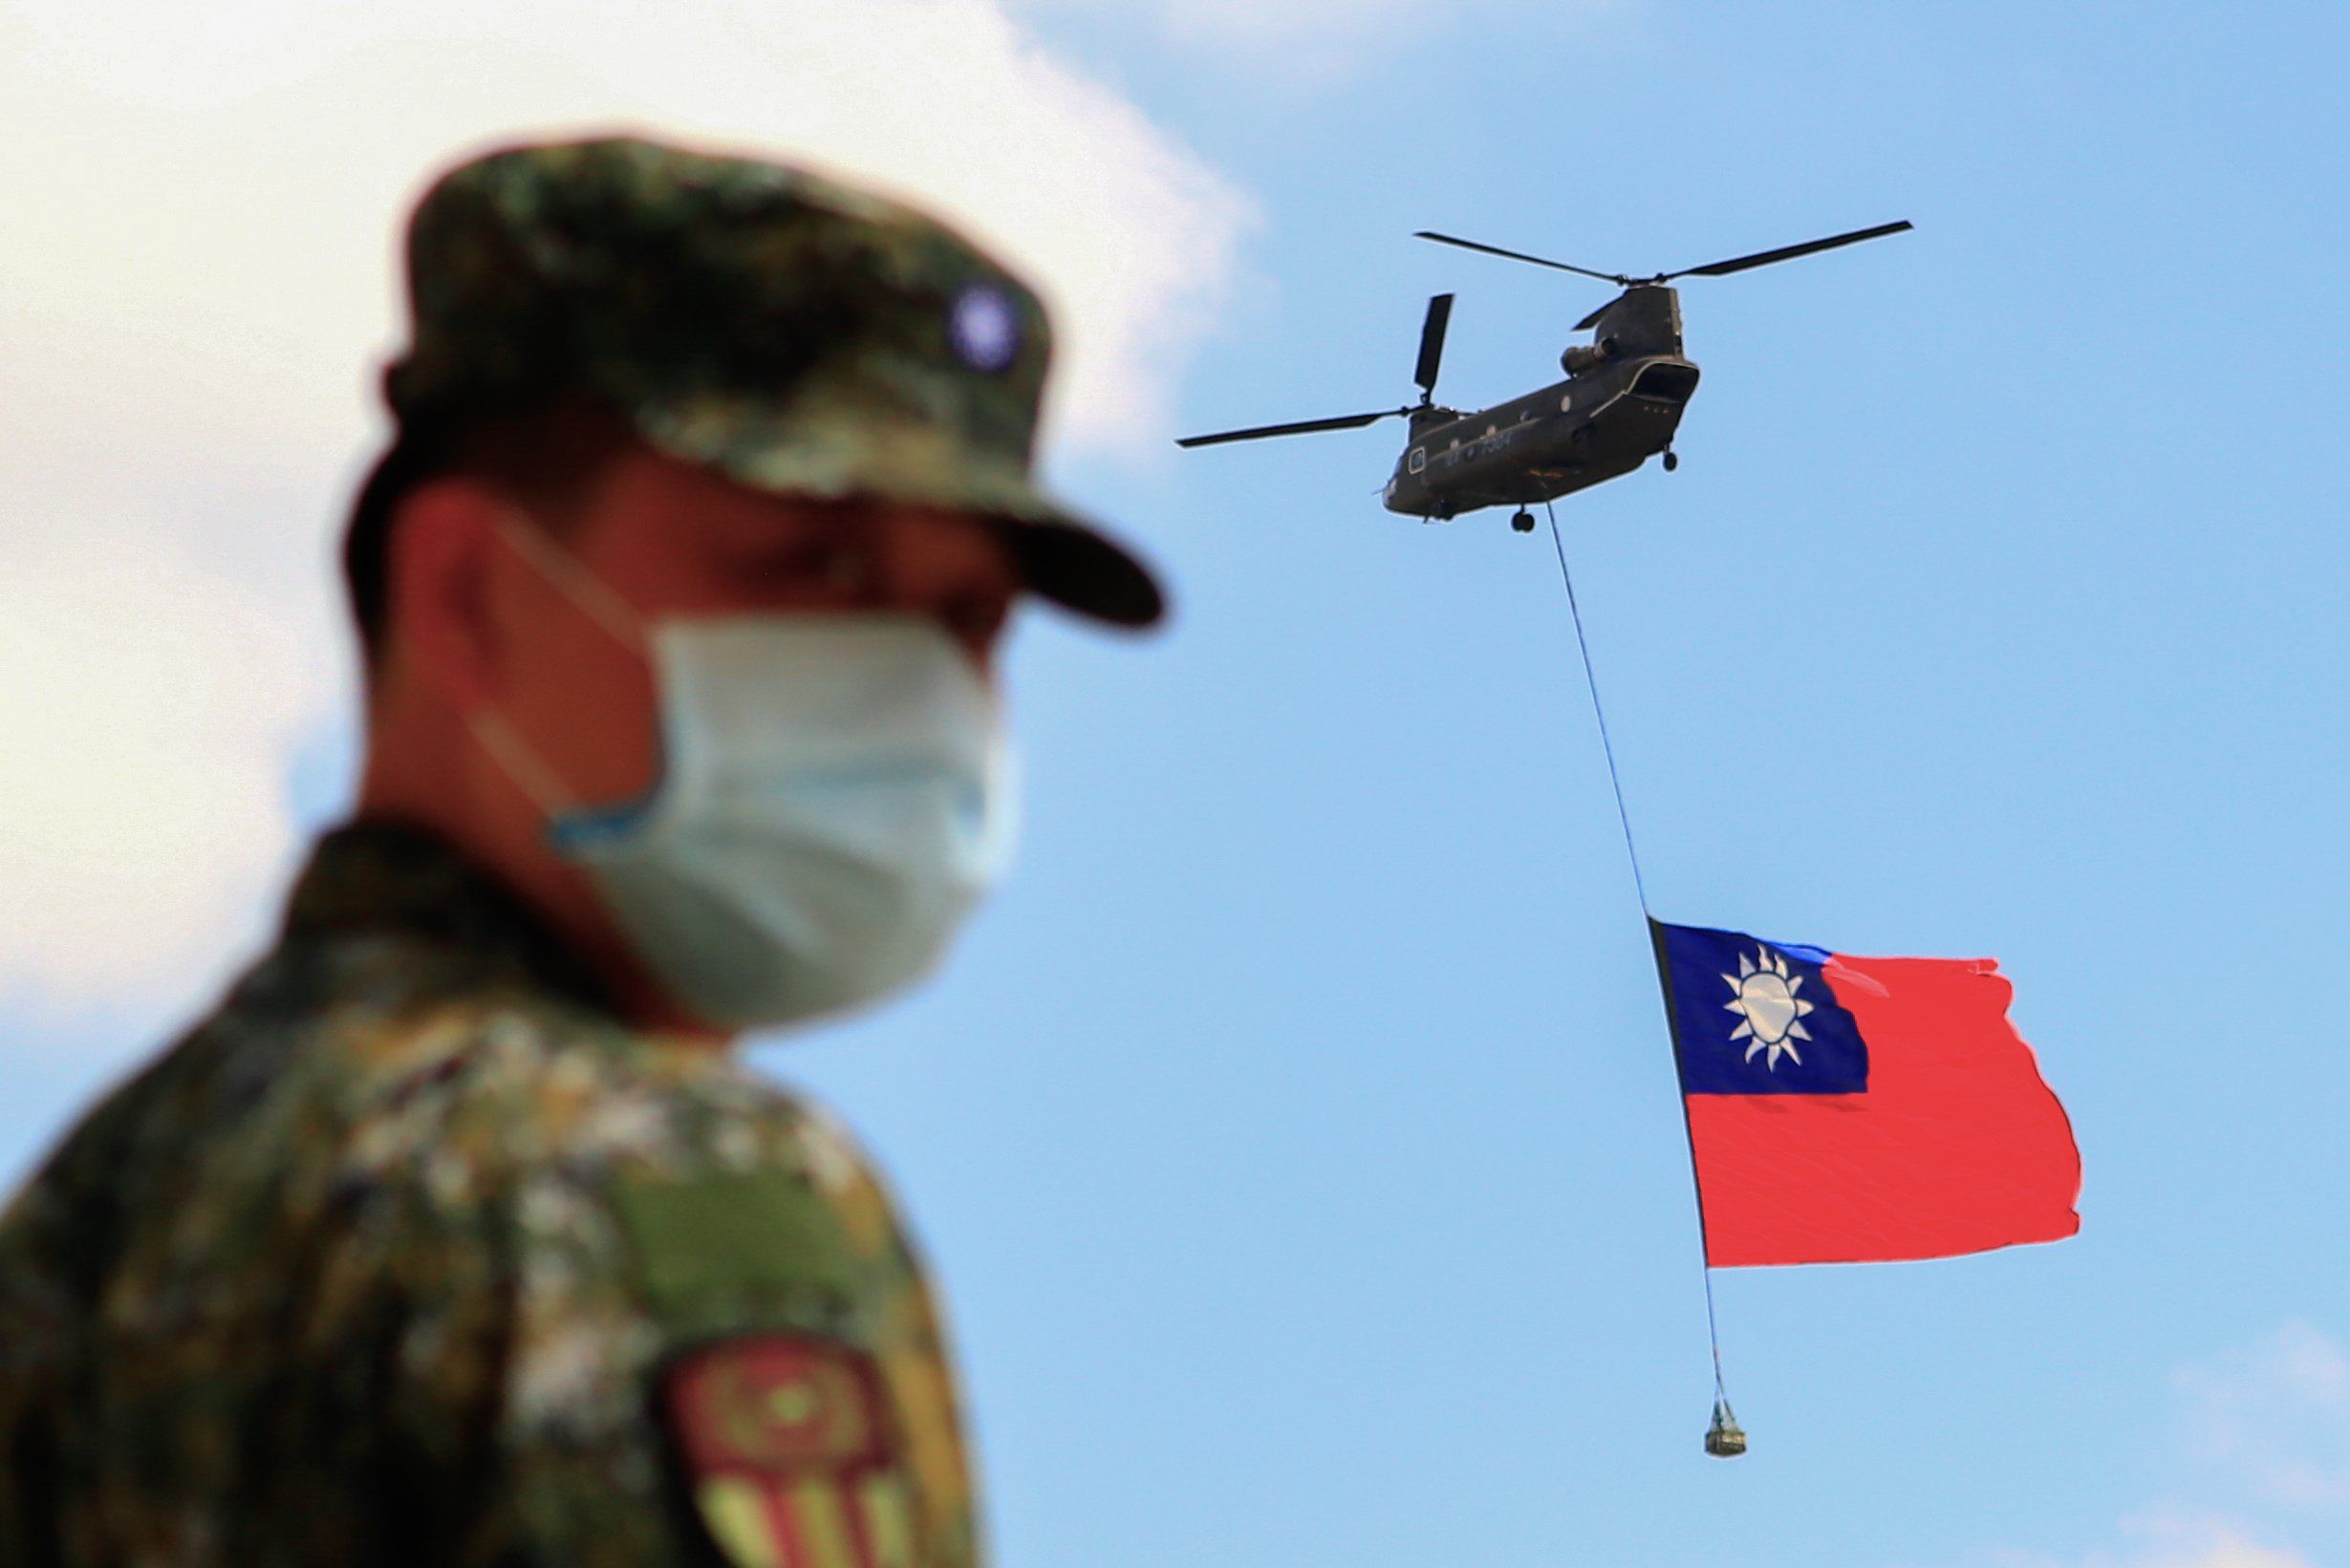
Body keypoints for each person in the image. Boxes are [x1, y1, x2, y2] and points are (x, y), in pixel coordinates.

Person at [0, 134, 1163, 1566]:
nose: (918, 684)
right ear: (469, 595)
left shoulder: (97, 1211)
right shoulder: (679, 1187)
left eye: (972, 621)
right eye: (823, 564)